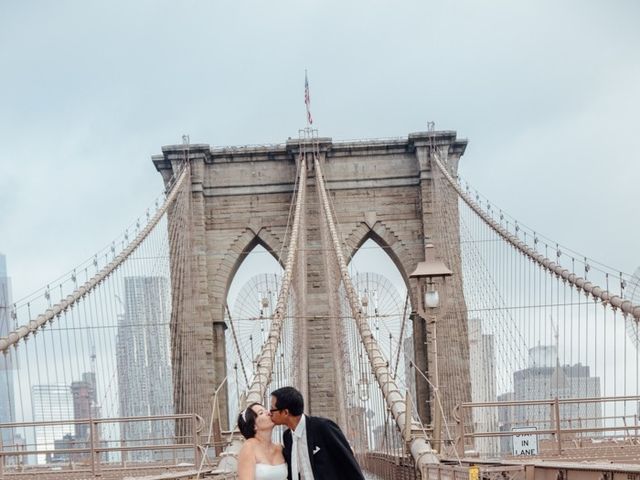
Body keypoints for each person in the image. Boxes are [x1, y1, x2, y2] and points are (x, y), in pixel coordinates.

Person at [270, 386, 365, 480]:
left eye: (272, 409)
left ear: (286, 412)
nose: (269, 413)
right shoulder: (287, 437)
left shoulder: (323, 427)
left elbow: (349, 463)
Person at [237, 402, 288, 480]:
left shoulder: (280, 448)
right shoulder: (249, 447)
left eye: (266, 410)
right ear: (254, 425)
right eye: (261, 413)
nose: (268, 412)